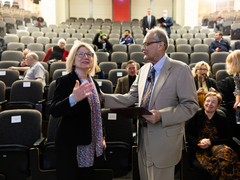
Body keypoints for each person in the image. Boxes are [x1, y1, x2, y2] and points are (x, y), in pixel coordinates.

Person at [102, 27, 199, 180]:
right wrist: (102, 97)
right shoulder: (144, 70)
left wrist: (162, 115)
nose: (142, 48)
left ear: (161, 45)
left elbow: (191, 106)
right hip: (143, 138)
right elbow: (130, 97)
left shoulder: (180, 69)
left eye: (147, 44)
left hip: (164, 141)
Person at [50, 42, 106, 180]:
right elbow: (54, 110)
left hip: (91, 142)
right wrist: (73, 99)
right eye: (80, 54)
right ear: (73, 59)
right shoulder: (64, 81)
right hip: (70, 145)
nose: (85, 57)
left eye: (89, 54)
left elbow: (96, 113)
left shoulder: (93, 83)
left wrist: (102, 136)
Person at [186, 92, 240, 179]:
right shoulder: (195, 116)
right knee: (227, 164)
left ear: (218, 106)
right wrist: (199, 141)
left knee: (227, 153)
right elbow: (188, 134)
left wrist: (211, 142)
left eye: (213, 102)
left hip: (218, 146)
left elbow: (228, 138)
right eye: (208, 101)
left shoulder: (222, 118)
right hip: (201, 149)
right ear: (204, 102)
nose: (210, 104)